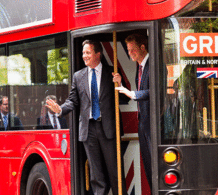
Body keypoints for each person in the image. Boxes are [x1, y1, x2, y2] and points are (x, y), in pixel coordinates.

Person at [46, 40, 128, 195]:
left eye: (88, 52)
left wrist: (120, 84)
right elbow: (72, 100)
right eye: (83, 53)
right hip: (88, 130)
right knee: (96, 175)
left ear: (98, 54)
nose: (84, 56)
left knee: (115, 171)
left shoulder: (111, 72)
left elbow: (125, 99)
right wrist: (60, 109)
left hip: (108, 128)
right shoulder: (78, 76)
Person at [115, 34, 152, 190]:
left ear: (142, 47)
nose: (129, 53)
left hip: (152, 124)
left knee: (153, 166)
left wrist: (132, 94)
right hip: (143, 124)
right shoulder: (141, 65)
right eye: (128, 50)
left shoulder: (154, 64)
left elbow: (155, 91)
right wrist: (120, 84)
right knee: (148, 166)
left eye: (132, 50)